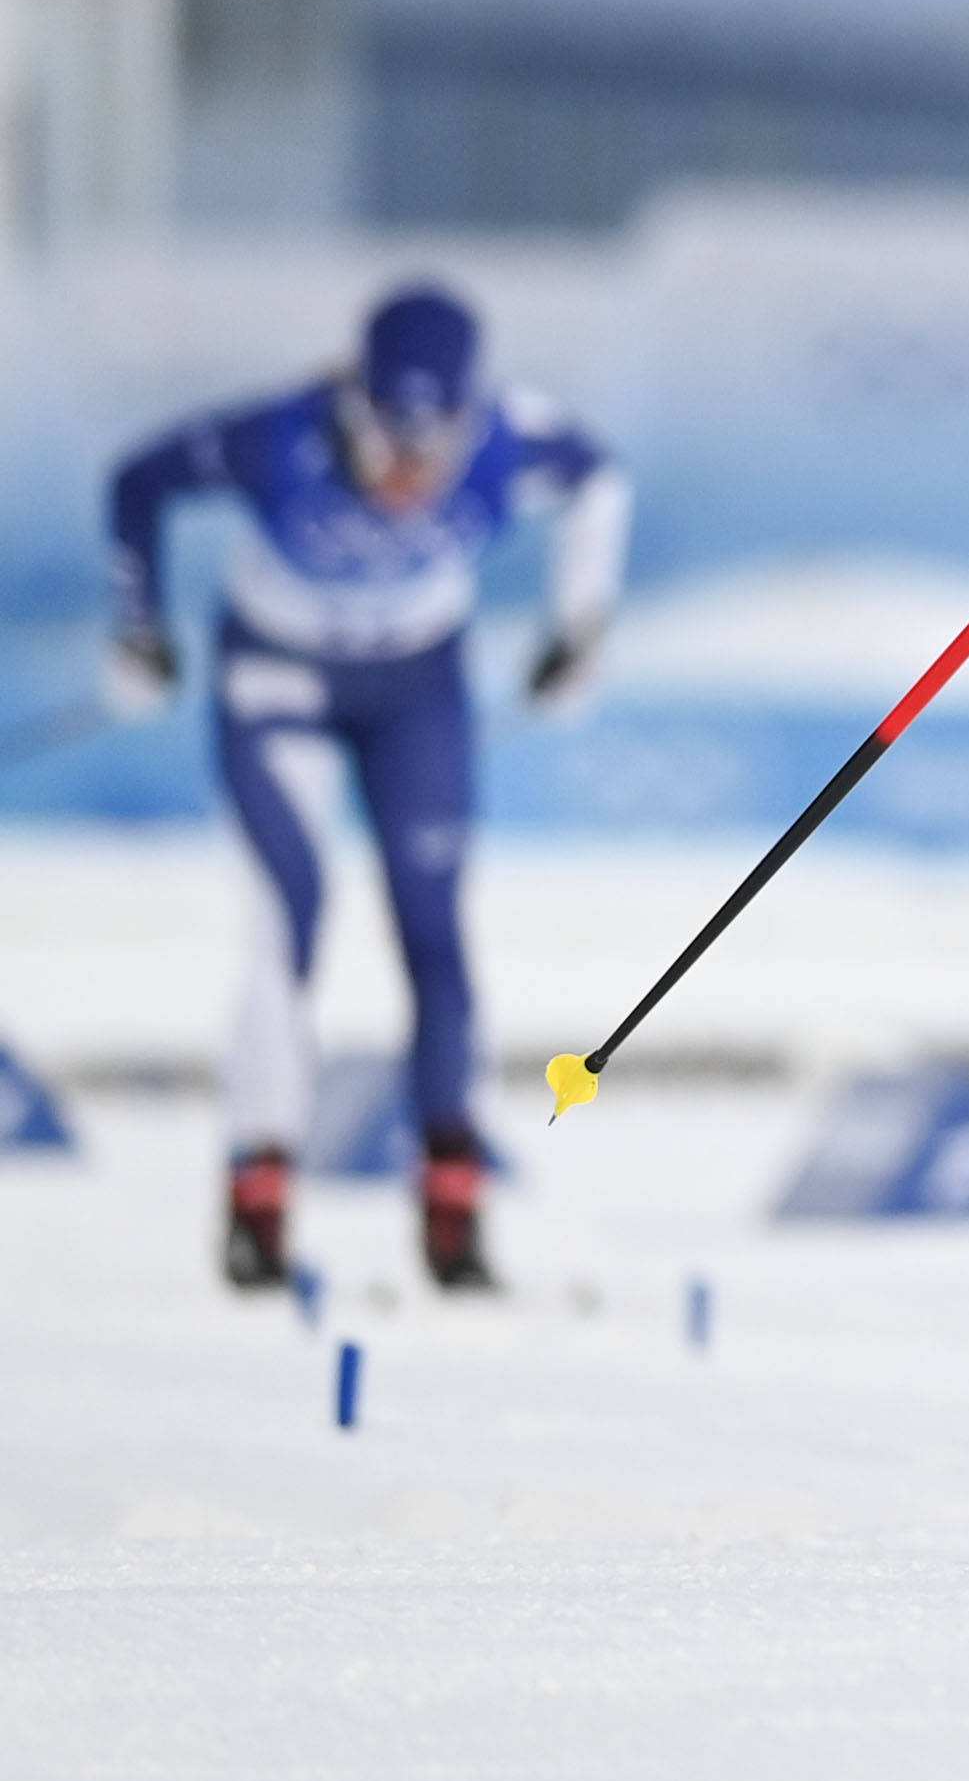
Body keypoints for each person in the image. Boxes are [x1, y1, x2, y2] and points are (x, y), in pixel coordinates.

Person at [103, 284, 628, 1294]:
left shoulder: (513, 436)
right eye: (392, 441)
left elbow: (600, 479)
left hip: (415, 684)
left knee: (433, 929)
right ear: (355, 403)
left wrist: (578, 629)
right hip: (279, 676)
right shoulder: (276, 437)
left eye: (436, 448)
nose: (410, 473)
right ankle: (258, 1203)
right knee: (286, 920)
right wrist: (139, 629)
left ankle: (453, 1214)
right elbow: (139, 481)